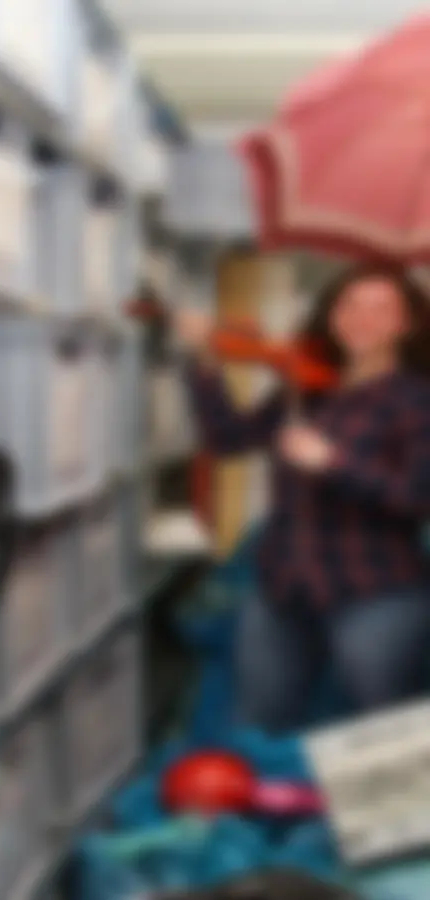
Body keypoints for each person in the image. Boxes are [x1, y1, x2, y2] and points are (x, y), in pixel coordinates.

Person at [176, 263, 430, 732]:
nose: (362, 318)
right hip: (284, 587)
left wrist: (333, 463)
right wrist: (206, 365)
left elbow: (417, 497)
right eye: (349, 305)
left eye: (381, 309)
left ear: (408, 324)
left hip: (375, 593)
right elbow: (228, 439)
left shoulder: (417, 400)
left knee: (386, 731)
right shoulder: (306, 388)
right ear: (332, 315)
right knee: (261, 721)